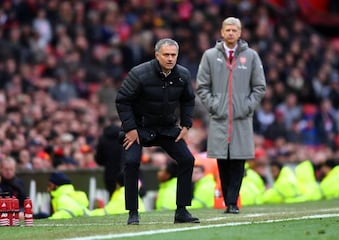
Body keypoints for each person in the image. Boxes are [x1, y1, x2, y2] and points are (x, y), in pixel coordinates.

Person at [115, 38, 199, 225]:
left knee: (187, 159)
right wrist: (130, 128)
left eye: (173, 55)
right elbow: (122, 100)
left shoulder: (183, 75)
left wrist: (186, 126)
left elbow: (188, 100)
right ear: (157, 55)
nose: (170, 58)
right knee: (131, 162)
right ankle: (133, 213)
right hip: (139, 128)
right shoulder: (139, 73)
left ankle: (182, 211)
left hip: (167, 128)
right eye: (166, 55)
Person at [196, 17, 266, 214]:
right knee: (222, 160)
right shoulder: (210, 56)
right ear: (221, 32)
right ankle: (229, 201)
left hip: (242, 119)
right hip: (219, 118)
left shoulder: (251, 56)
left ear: (240, 33)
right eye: (227, 30)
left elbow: (259, 86)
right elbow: (202, 86)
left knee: (238, 160)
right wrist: (214, 105)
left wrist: (247, 107)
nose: (231, 33)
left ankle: (232, 202)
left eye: (234, 30)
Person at [95, 116, 125, 197]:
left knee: (113, 196)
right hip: (125, 172)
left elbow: (99, 159)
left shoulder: (103, 138)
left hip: (109, 174)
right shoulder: (126, 136)